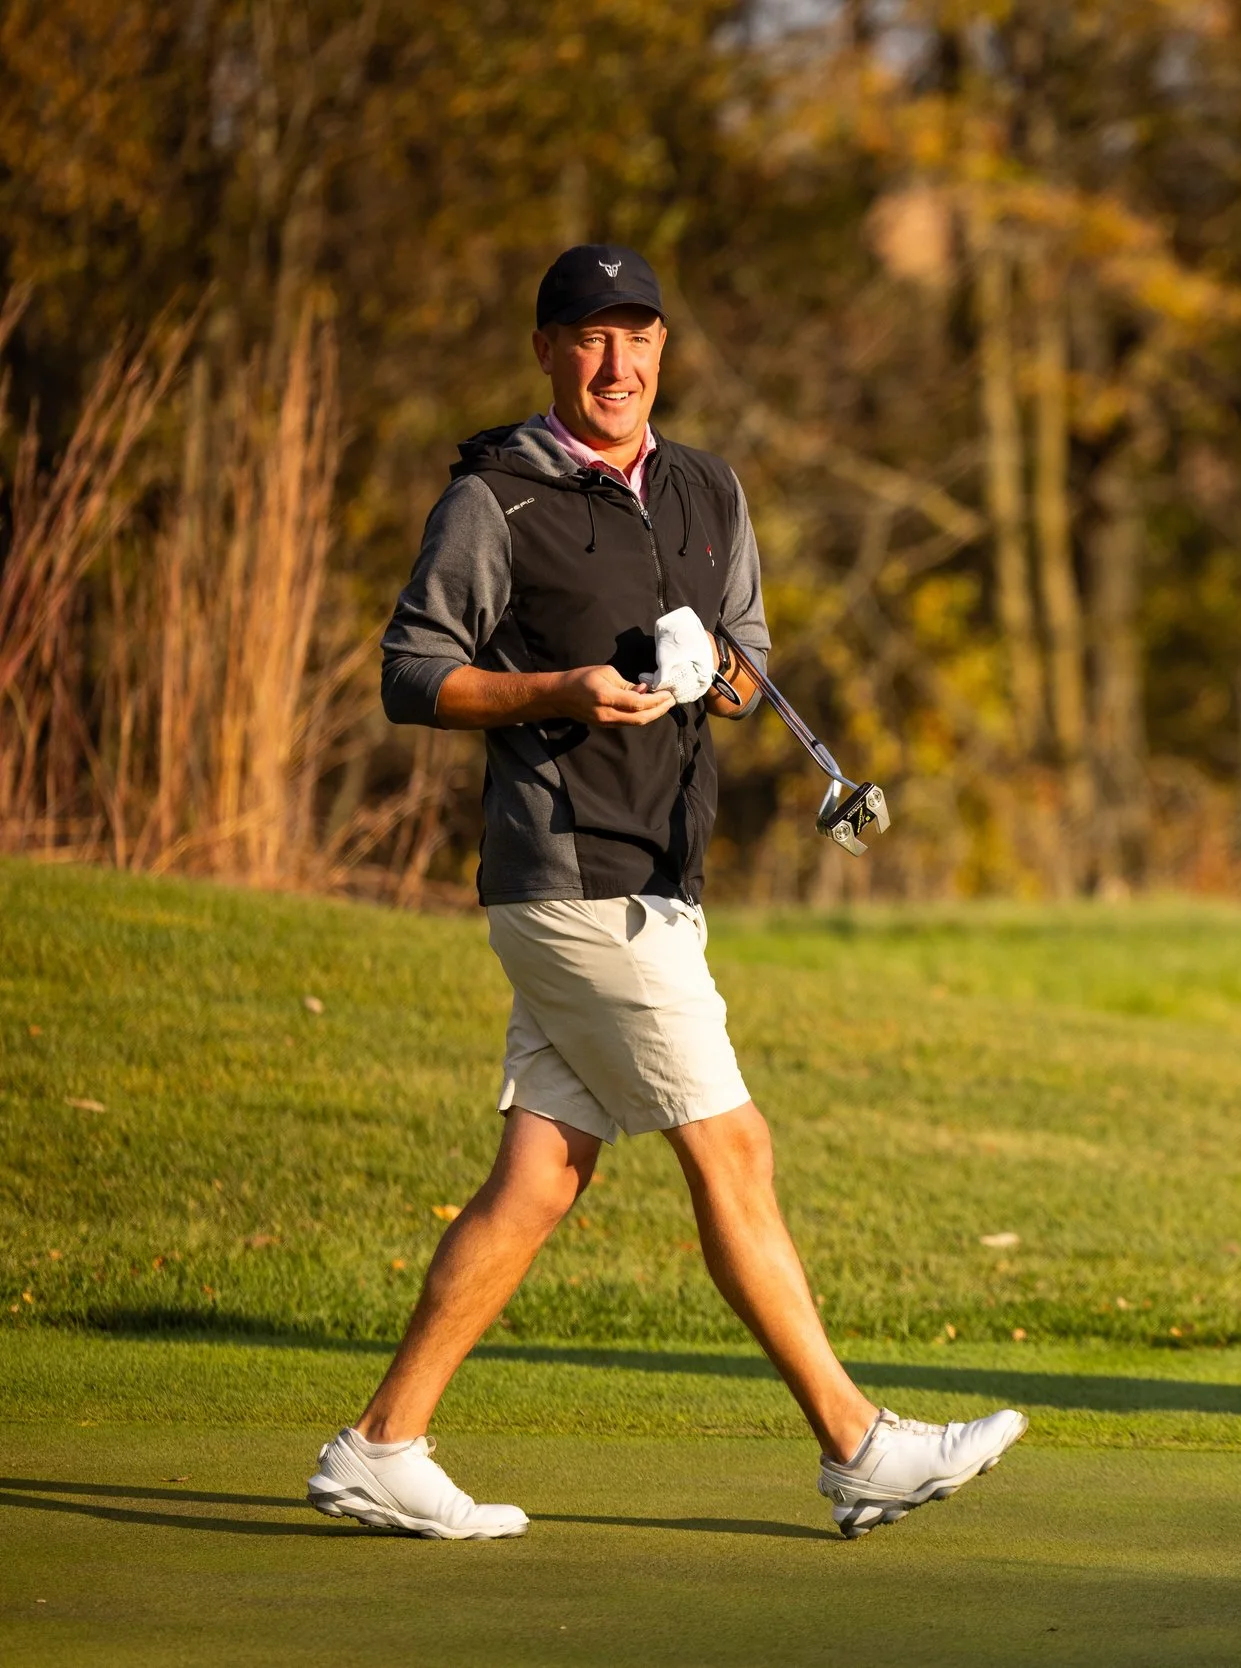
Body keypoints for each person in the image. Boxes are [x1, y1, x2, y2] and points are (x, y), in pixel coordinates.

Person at [306, 244, 1023, 1541]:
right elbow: (414, 672)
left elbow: (748, 661)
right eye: (589, 337)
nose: (617, 362)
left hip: (663, 873)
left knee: (539, 1178)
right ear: (547, 353)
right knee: (732, 1146)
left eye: (638, 336)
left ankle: (383, 1444)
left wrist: (721, 676)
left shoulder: (704, 487)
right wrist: (557, 689)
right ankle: (857, 1443)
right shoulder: (495, 497)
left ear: (663, 351)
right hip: (572, 877)